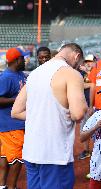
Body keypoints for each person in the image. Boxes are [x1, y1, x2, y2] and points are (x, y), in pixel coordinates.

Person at [11, 43, 88, 189]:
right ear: (76, 56)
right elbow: (78, 113)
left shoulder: (34, 73)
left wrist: (43, 113)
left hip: (31, 152)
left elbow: (16, 111)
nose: (77, 67)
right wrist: (83, 106)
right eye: (78, 64)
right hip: (54, 154)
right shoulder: (71, 74)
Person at [0, 47, 28, 189]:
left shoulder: (20, 74)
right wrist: (18, 100)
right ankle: (12, 187)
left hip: (15, 123)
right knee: (18, 157)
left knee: (5, 156)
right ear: (17, 60)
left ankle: (2, 185)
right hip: (11, 124)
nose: (25, 60)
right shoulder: (6, 77)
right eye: (23, 58)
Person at [78, 54, 97, 160]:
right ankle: (86, 150)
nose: (89, 63)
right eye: (87, 62)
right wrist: (91, 84)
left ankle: (98, 151)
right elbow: (79, 85)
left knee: (98, 130)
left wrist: (90, 84)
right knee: (84, 128)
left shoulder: (99, 73)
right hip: (85, 105)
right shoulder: (81, 73)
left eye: (91, 61)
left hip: (98, 105)